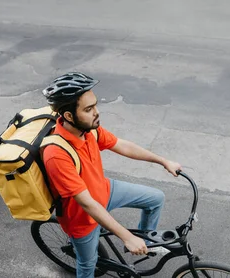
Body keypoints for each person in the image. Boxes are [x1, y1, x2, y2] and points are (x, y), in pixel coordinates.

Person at [41, 72, 182, 277]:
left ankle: (147, 244)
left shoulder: (89, 130)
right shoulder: (56, 154)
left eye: (95, 105)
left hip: (105, 190)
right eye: (89, 109)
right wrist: (126, 236)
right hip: (83, 218)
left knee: (155, 198)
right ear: (69, 116)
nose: (96, 113)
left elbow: (122, 145)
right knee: (88, 265)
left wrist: (163, 161)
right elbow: (87, 204)